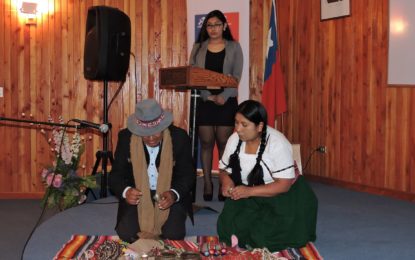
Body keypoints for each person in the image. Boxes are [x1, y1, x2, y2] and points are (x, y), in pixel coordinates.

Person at [217, 100, 318, 251]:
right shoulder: (234, 140)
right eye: (236, 123)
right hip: (249, 192)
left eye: (244, 125)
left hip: (283, 194)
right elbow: (224, 170)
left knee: (263, 239)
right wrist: (226, 181)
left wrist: (249, 191)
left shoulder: (277, 143)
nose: (238, 129)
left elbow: (284, 185)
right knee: (227, 230)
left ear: (259, 127)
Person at [109, 99, 195, 243]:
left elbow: (188, 174)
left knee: (173, 234)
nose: (151, 139)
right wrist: (126, 191)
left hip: (169, 191)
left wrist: (174, 194)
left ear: (163, 126)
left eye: (155, 133)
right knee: (127, 234)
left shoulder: (179, 137)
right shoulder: (125, 138)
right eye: (145, 134)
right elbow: (116, 175)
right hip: (139, 192)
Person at [189, 9, 243, 201]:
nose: (213, 29)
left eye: (217, 25)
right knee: (205, 143)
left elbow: (236, 77)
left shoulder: (235, 47)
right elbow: (193, 76)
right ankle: (207, 183)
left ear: (224, 26)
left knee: (223, 144)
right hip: (205, 101)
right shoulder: (198, 47)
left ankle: (223, 181)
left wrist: (224, 95)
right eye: (209, 25)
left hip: (226, 101)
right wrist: (207, 96)